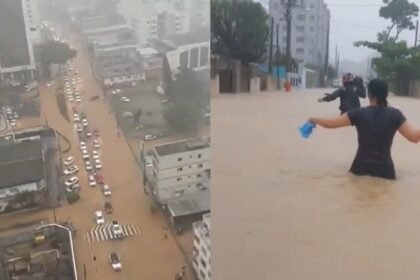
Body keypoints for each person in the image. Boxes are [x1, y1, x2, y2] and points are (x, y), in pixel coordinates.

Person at [308, 78, 420, 180]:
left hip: (360, 167)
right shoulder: (395, 115)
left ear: (369, 93)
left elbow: (331, 123)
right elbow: (414, 137)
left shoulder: (358, 113)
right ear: (386, 94)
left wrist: (314, 119)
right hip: (385, 170)